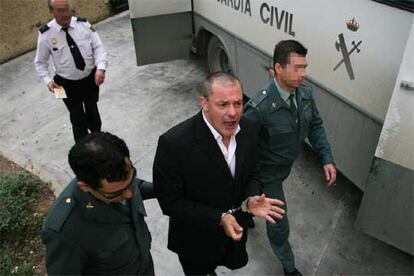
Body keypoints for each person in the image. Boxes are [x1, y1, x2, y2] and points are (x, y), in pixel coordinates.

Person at [153, 72, 286, 275]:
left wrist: (249, 200)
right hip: (196, 241)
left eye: (238, 103)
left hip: (234, 236)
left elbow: (254, 172)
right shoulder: (173, 144)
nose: (233, 113)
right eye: (222, 104)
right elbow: (170, 202)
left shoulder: (250, 129)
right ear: (204, 103)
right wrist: (219, 217)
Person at [244, 40, 337, 276]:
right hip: (267, 175)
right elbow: (244, 151)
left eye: (305, 67)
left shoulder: (305, 93)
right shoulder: (259, 108)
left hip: (284, 166)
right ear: (278, 68)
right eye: (297, 68)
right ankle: (288, 266)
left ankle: (246, 210)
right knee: (279, 222)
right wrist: (254, 187)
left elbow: (315, 126)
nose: (303, 74)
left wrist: (326, 158)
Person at [41, 132, 155, 275]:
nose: (129, 194)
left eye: (131, 181)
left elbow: (134, 188)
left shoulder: (118, 182)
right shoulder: (65, 231)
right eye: (115, 193)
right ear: (85, 187)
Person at [34, 0, 108, 143]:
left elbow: (99, 47)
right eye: (60, 10)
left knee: (93, 110)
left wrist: (101, 68)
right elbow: (40, 63)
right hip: (64, 83)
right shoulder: (46, 34)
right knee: (77, 117)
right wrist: (48, 81)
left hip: (90, 78)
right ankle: (83, 147)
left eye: (67, 9)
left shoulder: (83, 25)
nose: (66, 14)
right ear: (52, 12)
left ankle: (99, 142)